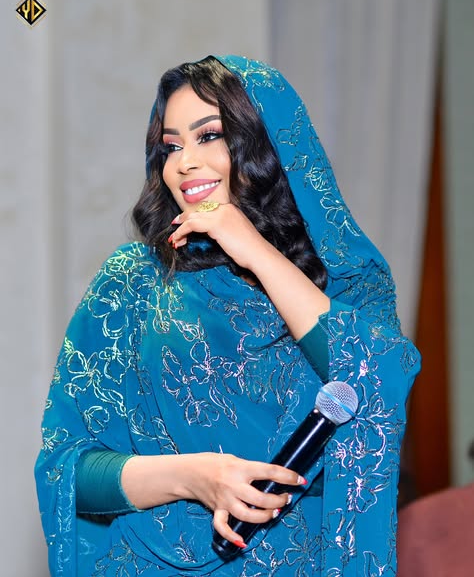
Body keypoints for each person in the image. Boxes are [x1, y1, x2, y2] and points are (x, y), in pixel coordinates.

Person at [35, 55, 421, 576]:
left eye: (209, 136)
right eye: (171, 146)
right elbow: (69, 469)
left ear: (268, 147)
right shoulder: (134, 284)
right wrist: (195, 476)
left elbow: (377, 380)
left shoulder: (348, 283)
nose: (184, 163)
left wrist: (254, 250)